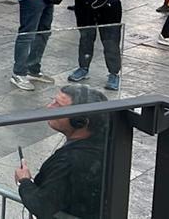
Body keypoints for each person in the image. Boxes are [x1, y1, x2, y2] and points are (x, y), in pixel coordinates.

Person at [14, 85, 108, 219]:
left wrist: (24, 181)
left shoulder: (70, 162)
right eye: (53, 101)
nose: (49, 107)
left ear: (80, 122)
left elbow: (43, 205)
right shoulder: (105, 141)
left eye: (58, 106)